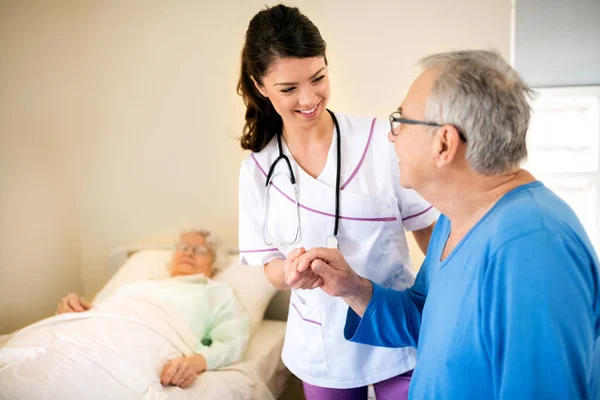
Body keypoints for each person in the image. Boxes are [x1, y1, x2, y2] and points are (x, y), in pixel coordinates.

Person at [293, 50, 600, 399]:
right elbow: (427, 319)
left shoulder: (534, 247)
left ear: (444, 144)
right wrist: (351, 287)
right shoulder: (455, 220)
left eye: (401, 121)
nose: (391, 136)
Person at [236, 5, 437, 399]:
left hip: (397, 333)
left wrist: (446, 307)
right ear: (260, 86)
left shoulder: (381, 141)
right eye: (289, 89)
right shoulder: (257, 171)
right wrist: (291, 273)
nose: (309, 98)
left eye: (318, 78)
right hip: (322, 348)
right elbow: (268, 267)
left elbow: (432, 237)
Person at [55, 230, 250, 389]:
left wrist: (198, 361)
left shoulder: (216, 292)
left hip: (149, 339)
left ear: (214, 264)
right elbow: (96, 312)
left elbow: (232, 340)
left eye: (200, 250)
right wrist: (72, 310)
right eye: (184, 247)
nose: (189, 253)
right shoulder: (134, 286)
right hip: (90, 334)